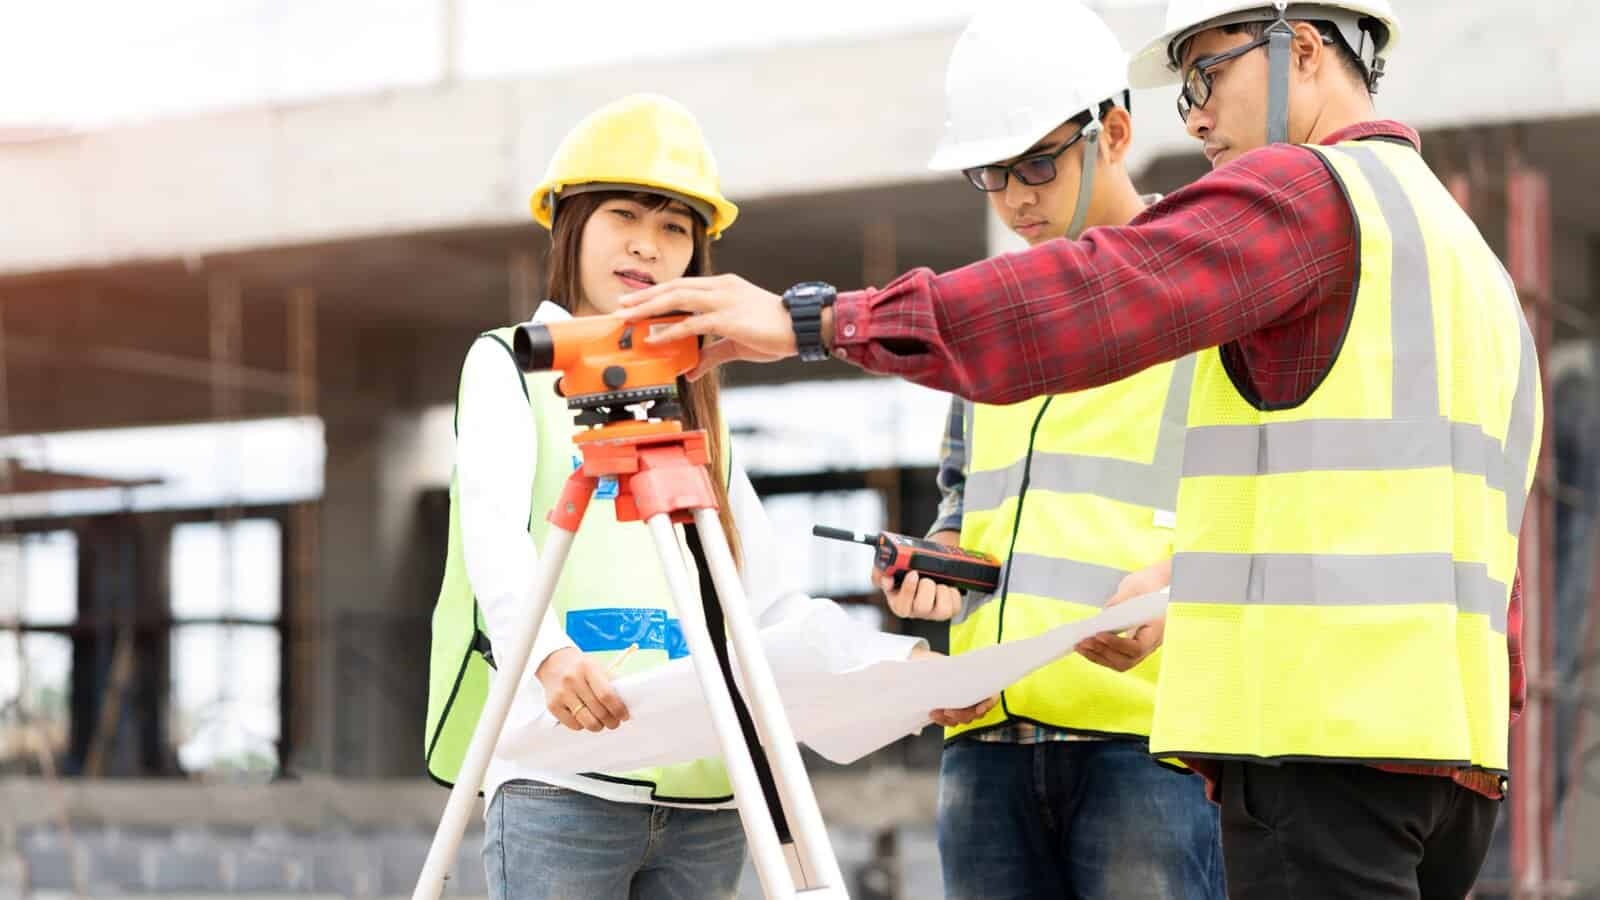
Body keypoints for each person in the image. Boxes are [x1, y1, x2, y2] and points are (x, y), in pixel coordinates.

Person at [617, 2, 1539, 895]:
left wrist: (815, 320)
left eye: (1208, 73)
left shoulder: (1309, 197)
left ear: (1301, 48)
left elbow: (1102, 292)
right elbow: (1372, 505)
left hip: (1316, 735)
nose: (1199, 113)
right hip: (1443, 749)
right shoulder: (1465, 259)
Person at [423, 93, 926, 900]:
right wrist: (548, 656)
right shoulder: (510, 365)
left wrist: (895, 671)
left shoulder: (694, 392)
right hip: (564, 772)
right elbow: (493, 536)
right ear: (568, 224)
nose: (647, 247)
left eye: (674, 229)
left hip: (706, 788)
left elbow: (760, 597)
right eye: (624, 214)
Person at [888, 5, 1221, 898]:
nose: (1014, 198)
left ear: (1114, 132)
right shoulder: (985, 317)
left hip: (1146, 748)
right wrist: (939, 562)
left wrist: (1179, 590)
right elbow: (964, 500)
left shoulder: (1203, 297)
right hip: (986, 741)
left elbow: (1260, 508)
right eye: (990, 172)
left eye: (1037, 163)